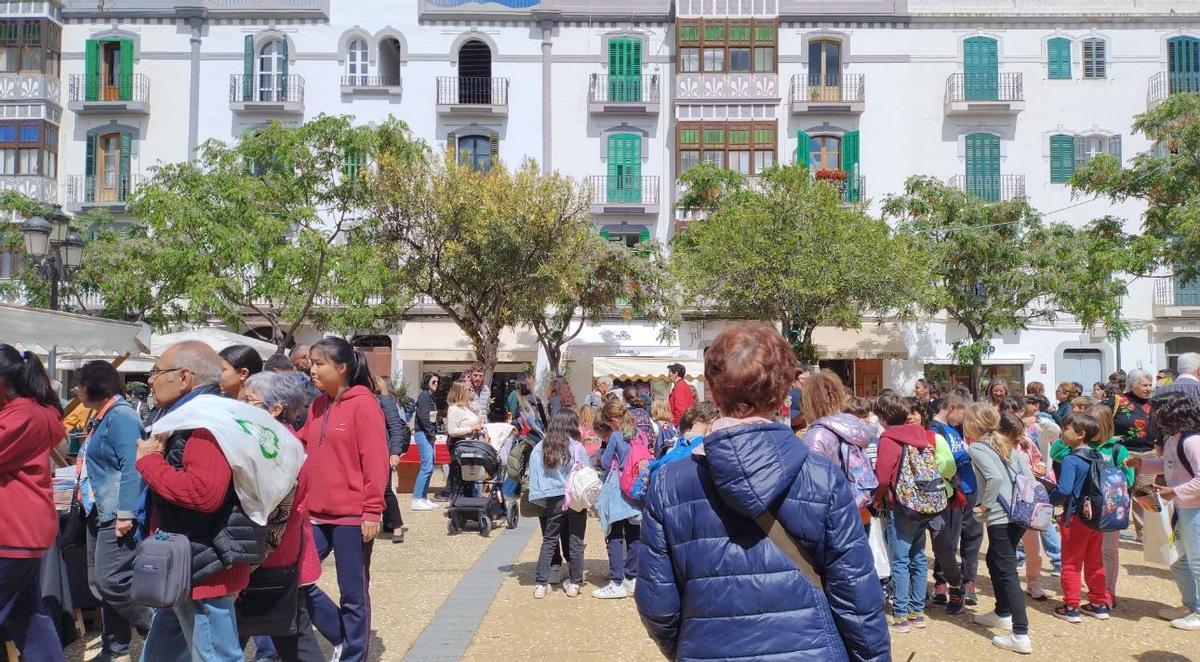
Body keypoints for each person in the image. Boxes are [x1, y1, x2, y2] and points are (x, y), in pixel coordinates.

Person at [635, 323, 889, 660]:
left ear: (713, 392)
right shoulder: (822, 476)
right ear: (784, 394)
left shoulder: (670, 482)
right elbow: (858, 597)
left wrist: (691, 647)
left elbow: (657, 604)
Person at [137, 341, 260, 662]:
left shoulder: (205, 422)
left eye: (156, 372)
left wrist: (149, 462)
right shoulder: (190, 415)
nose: (150, 380)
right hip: (187, 561)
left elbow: (203, 493)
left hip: (204, 564)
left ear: (184, 377)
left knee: (217, 657)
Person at [298, 337, 388, 662]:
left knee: (353, 593)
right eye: (311, 363)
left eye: (319, 363)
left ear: (341, 368)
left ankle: (353, 655)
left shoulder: (364, 404)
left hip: (352, 516)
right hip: (315, 514)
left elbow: (375, 461)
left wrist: (372, 510)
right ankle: (341, 635)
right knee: (294, 577)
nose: (312, 369)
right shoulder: (316, 406)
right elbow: (299, 445)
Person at [239, 372, 324, 662]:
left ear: (274, 409)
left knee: (291, 636)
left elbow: (271, 508)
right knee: (292, 636)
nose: (240, 406)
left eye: (249, 400)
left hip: (269, 556)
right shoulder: (278, 441)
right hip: (276, 555)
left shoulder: (278, 447)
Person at [75, 361, 152, 660]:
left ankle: (154, 626)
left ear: (97, 385)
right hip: (97, 510)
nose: (78, 391)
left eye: (81, 384)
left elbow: (133, 467)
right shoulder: (102, 417)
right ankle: (115, 648)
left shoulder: (120, 416)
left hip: (116, 512)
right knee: (100, 584)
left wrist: (125, 513)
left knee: (112, 580)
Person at [0, 345, 66, 662]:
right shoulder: (30, 412)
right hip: (22, 530)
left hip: (11, 531)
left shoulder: (21, 416)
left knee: (28, 617)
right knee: (29, 619)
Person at [1128, 391, 1200, 630]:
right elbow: (1168, 464)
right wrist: (1142, 463)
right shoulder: (1173, 438)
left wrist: (1173, 491)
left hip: (1194, 509)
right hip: (1180, 506)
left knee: (1197, 560)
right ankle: (1190, 605)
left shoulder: (1192, 442)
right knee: (1178, 558)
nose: (1153, 415)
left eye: (1157, 410)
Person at [966, 403, 1034, 654]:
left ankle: (1020, 632)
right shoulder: (1006, 443)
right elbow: (1028, 478)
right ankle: (1002, 612)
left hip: (1000, 516)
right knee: (995, 560)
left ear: (973, 423)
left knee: (1006, 571)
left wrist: (984, 505)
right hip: (1019, 514)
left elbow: (993, 478)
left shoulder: (978, 448)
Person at [872, 392, 942, 633]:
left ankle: (900, 616)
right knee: (919, 557)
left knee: (900, 560)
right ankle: (917, 612)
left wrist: (878, 498)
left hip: (901, 505)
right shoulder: (921, 434)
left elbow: (883, 477)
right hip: (924, 503)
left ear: (883, 418)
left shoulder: (889, 438)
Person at [1048, 412, 1112, 623]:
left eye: (1066, 428)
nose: (1062, 432)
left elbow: (1064, 489)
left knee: (1071, 562)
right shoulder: (1098, 456)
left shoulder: (1071, 459)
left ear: (1080, 434)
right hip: (1096, 517)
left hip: (1075, 516)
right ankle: (1098, 603)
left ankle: (1071, 606)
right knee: (1095, 560)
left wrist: (1049, 499)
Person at [930, 392, 984, 612]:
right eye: (963, 413)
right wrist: (969, 454)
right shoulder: (936, 429)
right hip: (953, 491)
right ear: (952, 407)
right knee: (947, 539)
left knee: (972, 536)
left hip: (970, 488)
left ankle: (968, 580)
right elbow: (941, 459)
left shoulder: (957, 429)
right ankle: (943, 581)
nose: (965, 419)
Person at [529, 409, 589, 599]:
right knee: (576, 539)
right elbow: (587, 471)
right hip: (576, 496)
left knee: (549, 539)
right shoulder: (576, 447)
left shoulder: (540, 447)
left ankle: (541, 583)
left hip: (553, 498)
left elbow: (534, 475)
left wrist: (539, 497)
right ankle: (575, 583)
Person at [593, 397, 643, 599]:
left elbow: (606, 463)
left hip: (619, 489)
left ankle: (616, 582)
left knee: (614, 535)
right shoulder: (639, 433)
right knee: (634, 534)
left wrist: (599, 458)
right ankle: (632, 578)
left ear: (613, 419)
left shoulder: (615, 436)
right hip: (636, 488)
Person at [1114, 368, 1161, 542]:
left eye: (1150, 385)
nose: (1149, 388)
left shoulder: (1154, 403)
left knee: (1145, 493)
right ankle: (1114, 526)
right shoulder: (1117, 401)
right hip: (1123, 453)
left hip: (1149, 453)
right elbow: (1103, 420)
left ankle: (1145, 534)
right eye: (1144, 385)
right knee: (1121, 491)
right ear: (1132, 385)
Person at [375, 375, 409, 544]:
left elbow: (396, 427)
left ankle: (397, 526)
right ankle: (389, 523)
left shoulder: (385, 400)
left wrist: (395, 452)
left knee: (385, 489)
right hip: (370, 450)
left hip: (383, 450)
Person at [447, 379, 485, 498]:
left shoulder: (465, 408)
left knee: (469, 480)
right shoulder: (454, 409)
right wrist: (472, 428)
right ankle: (458, 504)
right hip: (460, 446)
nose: (471, 392)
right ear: (461, 391)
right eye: (469, 389)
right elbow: (452, 431)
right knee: (460, 480)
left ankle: (468, 503)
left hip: (470, 445)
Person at [412, 373, 440, 510]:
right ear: (427, 382)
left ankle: (423, 497)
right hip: (423, 434)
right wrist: (431, 433)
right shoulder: (424, 397)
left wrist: (439, 422)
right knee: (426, 466)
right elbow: (424, 417)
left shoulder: (430, 397)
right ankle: (417, 498)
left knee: (430, 466)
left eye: (437, 382)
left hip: (427, 434)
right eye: (433, 382)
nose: (436, 384)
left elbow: (431, 417)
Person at [667, 363, 695, 428]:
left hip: (680, 425)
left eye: (670, 373)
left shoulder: (680, 386)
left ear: (676, 373)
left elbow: (680, 410)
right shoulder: (681, 385)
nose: (668, 375)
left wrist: (674, 424)